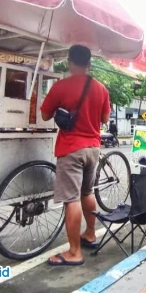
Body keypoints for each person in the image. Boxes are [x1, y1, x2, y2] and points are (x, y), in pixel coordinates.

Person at [41, 45, 111, 267]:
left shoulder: (61, 87)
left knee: (71, 200)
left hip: (71, 149)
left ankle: (74, 252)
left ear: (70, 62)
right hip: (93, 148)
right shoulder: (101, 89)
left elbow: (44, 115)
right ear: (89, 63)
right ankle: (90, 234)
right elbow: (105, 119)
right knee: (87, 192)